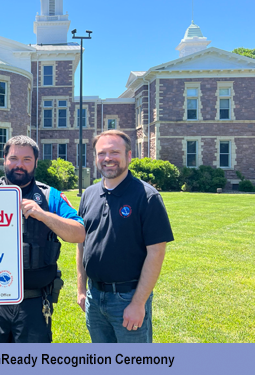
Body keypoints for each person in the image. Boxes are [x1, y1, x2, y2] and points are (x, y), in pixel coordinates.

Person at [0, 135, 85, 343]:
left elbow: (78, 233)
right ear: (4, 158)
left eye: (26, 159)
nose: (19, 165)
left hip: (34, 301)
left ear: (35, 162)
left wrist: (43, 214)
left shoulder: (51, 196)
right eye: (13, 158)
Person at [76, 130, 174, 343]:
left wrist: (138, 303)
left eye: (114, 152)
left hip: (128, 297)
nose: (107, 158)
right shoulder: (89, 194)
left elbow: (156, 252)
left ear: (129, 156)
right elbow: (82, 245)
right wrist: (82, 288)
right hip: (94, 297)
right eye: (102, 153)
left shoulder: (147, 197)